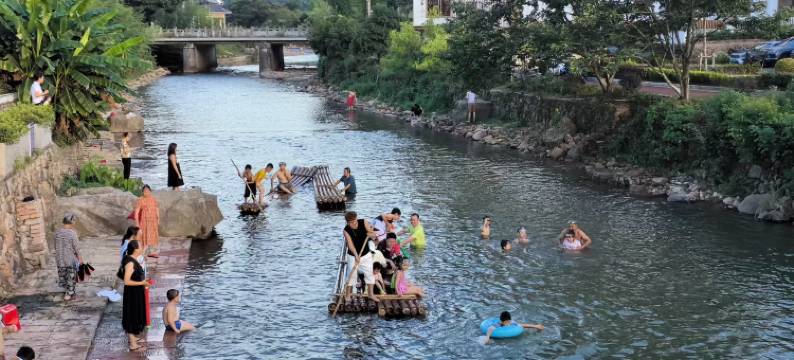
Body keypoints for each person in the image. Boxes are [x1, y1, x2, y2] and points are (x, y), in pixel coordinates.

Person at [343, 211, 379, 303]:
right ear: (347, 222)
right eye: (351, 222)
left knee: (369, 274)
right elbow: (350, 245)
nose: (354, 223)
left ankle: (371, 294)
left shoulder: (364, 222)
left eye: (355, 220)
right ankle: (348, 295)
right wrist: (356, 255)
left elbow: (373, 235)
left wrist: (371, 234)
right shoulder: (346, 230)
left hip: (366, 254)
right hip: (352, 256)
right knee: (351, 275)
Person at [120, 240, 149, 352]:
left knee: (135, 315)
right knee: (132, 316)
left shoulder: (132, 259)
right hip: (132, 294)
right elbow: (127, 281)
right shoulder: (130, 263)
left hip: (136, 292)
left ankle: (133, 338)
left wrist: (143, 281)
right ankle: (133, 344)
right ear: (136, 249)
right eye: (140, 246)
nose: (142, 247)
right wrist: (142, 282)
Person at [54, 213, 83, 301]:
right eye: (74, 221)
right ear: (71, 222)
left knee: (63, 274)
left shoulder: (57, 232)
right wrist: (80, 258)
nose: (75, 223)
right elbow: (76, 248)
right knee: (71, 275)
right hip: (70, 258)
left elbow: (55, 246)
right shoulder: (72, 233)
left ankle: (67, 290)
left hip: (59, 258)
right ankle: (69, 294)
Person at [132, 185, 160, 258]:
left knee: (153, 236)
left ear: (150, 191)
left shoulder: (153, 199)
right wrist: (137, 223)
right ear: (142, 192)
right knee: (144, 235)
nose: (146, 192)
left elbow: (156, 208)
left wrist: (158, 218)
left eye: (147, 190)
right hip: (144, 221)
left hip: (153, 221)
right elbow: (137, 212)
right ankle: (143, 252)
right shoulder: (140, 199)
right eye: (144, 191)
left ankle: (152, 252)